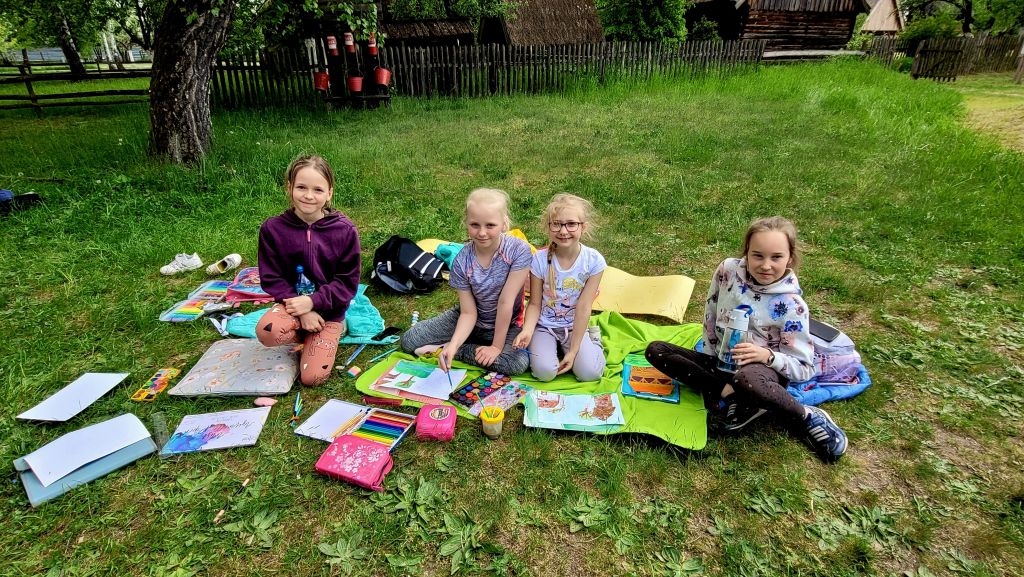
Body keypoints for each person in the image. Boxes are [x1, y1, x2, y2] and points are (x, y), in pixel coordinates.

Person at [644, 216, 848, 462]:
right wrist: (709, 357)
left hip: (761, 375)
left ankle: (805, 416)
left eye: (776, 257)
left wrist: (767, 356)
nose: (766, 265)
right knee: (656, 350)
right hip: (723, 364)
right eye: (757, 255)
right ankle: (731, 394)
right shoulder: (728, 271)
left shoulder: (792, 306)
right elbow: (711, 312)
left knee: (747, 379)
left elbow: (804, 368)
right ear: (746, 252)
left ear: (790, 258)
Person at [255, 155, 361, 386]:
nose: (309, 196)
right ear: (289, 187)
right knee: (267, 331)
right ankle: (304, 330)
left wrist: (313, 302)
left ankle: (331, 331)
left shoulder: (345, 231)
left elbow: (347, 282)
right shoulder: (272, 229)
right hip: (292, 307)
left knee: (313, 378)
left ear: (329, 193)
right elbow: (272, 277)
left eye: (318, 189)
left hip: (330, 312)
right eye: (301, 187)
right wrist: (302, 311)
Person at [400, 188, 531, 375]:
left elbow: (506, 302)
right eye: (475, 225)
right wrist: (454, 342)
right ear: (466, 223)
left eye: (490, 225)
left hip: (508, 323)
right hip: (471, 319)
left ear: (504, 223)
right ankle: (455, 346)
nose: (482, 233)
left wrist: (495, 347)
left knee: (515, 363)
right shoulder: (462, 260)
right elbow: (468, 312)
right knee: (409, 341)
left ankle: (457, 350)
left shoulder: (519, 251)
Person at [513, 194, 606, 381]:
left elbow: (584, 307)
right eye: (556, 224)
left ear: (583, 227)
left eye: (571, 224)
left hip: (574, 327)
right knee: (545, 373)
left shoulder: (594, 261)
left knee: (590, 373)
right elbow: (535, 304)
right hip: (544, 326)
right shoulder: (539, 260)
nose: (563, 231)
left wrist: (573, 351)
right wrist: (528, 330)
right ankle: (550, 348)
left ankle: (594, 340)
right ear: (548, 227)